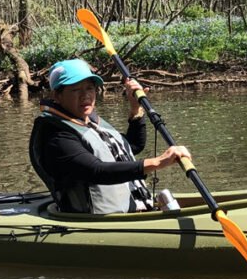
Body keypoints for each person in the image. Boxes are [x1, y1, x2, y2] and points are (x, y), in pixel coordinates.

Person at [29, 58, 191, 213]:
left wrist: (135, 110)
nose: (85, 95)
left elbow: (132, 146)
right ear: (57, 96)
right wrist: (158, 162)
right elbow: (97, 170)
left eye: (89, 88)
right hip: (93, 220)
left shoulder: (88, 121)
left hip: (131, 209)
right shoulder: (56, 136)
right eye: (76, 90)